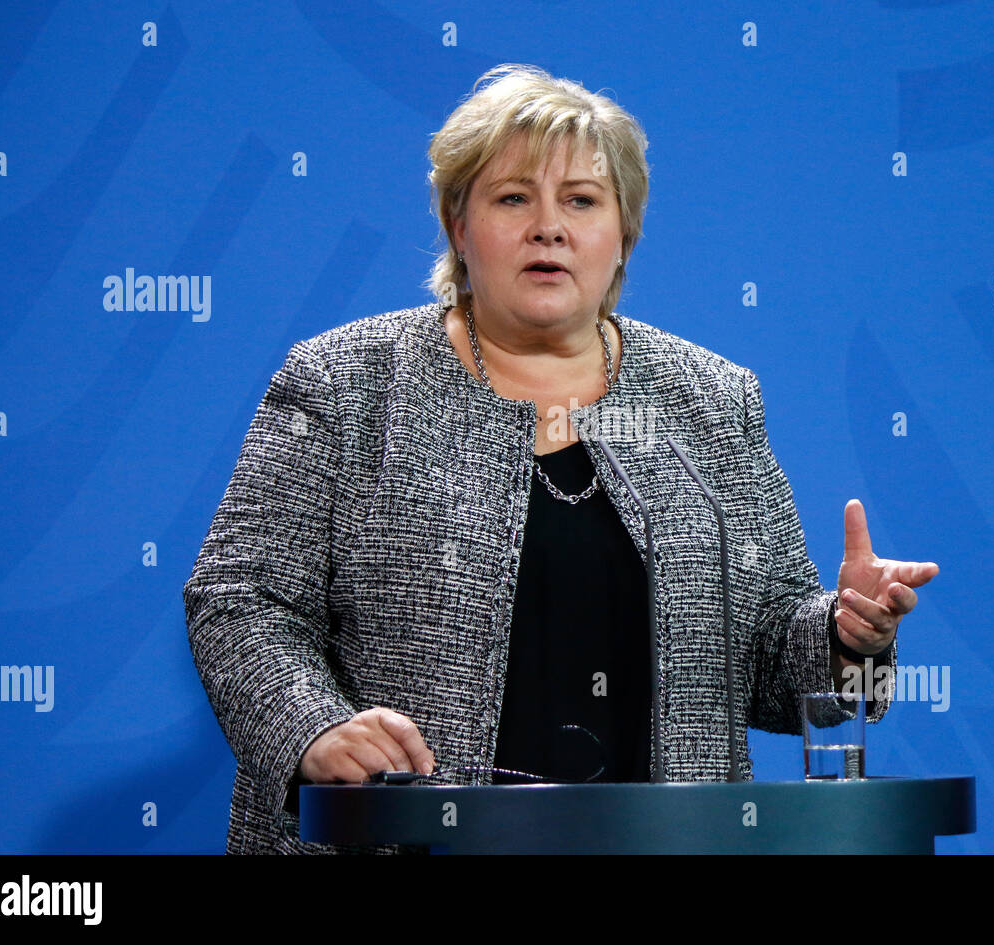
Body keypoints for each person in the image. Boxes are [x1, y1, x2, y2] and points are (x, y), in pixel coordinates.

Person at [183, 63, 939, 854]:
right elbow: (239, 598)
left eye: (581, 200)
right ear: (458, 225)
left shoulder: (711, 399)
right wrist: (314, 728)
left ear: (623, 235)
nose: (550, 227)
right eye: (514, 198)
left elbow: (776, 671)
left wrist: (851, 637)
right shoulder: (347, 382)